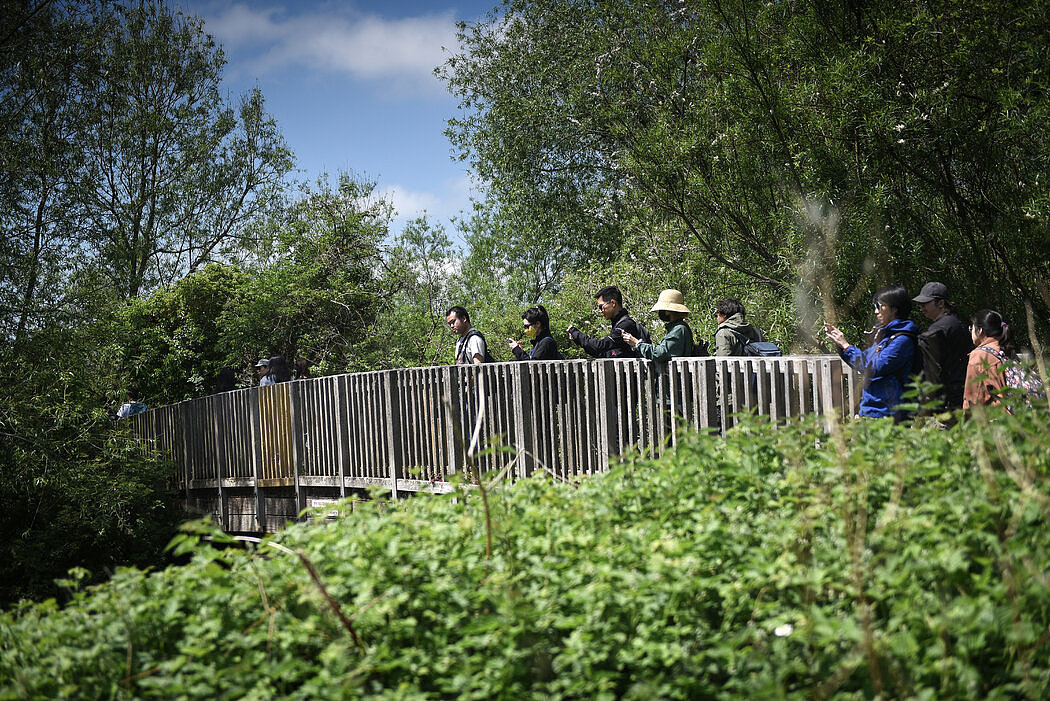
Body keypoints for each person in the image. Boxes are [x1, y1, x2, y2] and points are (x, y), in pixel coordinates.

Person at [824, 285, 918, 419]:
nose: (876, 312)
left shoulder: (902, 340)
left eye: (880, 306)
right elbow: (862, 359)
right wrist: (841, 345)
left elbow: (872, 367)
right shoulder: (886, 336)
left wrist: (846, 345)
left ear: (895, 308)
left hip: (888, 414)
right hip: (872, 410)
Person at [912, 282, 972, 410]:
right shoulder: (957, 322)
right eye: (920, 304)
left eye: (926, 303)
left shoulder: (938, 329)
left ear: (941, 303)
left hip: (948, 399)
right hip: (964, 392)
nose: (922, 307)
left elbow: (933, 368)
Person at [566, 285, 647, 359]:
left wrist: (575, 332)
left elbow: (599, 347)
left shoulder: (625, 325)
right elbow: (602, 353)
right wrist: (578, 340)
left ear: (613, 303)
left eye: (601, 307)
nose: (600, 311)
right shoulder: (618, 324)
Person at [621, 289, 695, 361]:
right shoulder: (676, 328)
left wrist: (637, 343)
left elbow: (660, 353)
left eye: (661, 309)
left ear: (669, 311)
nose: (659, 312)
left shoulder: (679, 329)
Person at [963, 309, 1013, 409]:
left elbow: (973, 400)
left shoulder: (979, 355)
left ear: (980, 331)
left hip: (998, 419)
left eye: (971, 328)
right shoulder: (1006, 349)